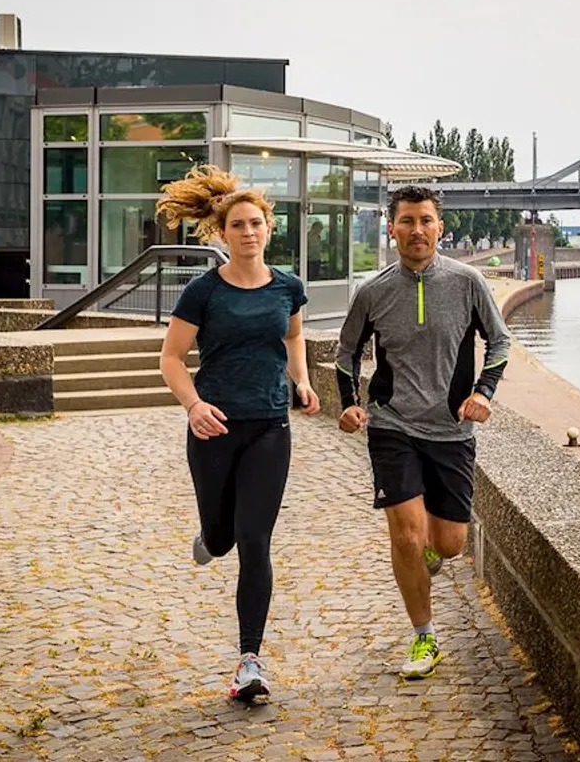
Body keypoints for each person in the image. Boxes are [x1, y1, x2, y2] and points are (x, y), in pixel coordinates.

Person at [158, 165, 320, 704]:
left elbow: (294, 338)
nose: (248, 232)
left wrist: (301, 381)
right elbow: (172, 359)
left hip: (270, 426)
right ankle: (209, 538)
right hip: (213, 427)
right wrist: (194, 404)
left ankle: (249, 660)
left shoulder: (288, 288)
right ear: (221, 234)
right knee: (223, 538)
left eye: (256, 223)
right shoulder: (203, 291)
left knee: (255, 540)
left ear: (268, 229)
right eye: (238, 225)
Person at [335, 185, 511, 679]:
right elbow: (347, 354)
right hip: (393, 426)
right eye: (407, 221)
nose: (417, 229)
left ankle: (434, 553)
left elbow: (499, 341)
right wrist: (350, 405)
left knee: (450, 543)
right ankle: (424, 637)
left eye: (426, 220)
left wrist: (483, 393)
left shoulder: (468, 282)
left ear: (440, 227)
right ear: (392, 229)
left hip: (451, 431)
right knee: (407, 538)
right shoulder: (372, 292)